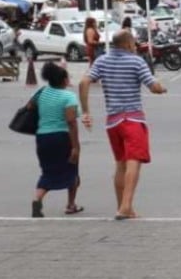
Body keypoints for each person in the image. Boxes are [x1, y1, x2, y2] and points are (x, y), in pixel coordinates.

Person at [79, 30, 168, 220]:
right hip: (132, 119)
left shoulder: (102, 60)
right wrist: (162, 88)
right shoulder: (136, 61)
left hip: (112, 121)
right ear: (128, 44)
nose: (135, 46)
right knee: (133, 161)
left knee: (120, 164)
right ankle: (126, 206)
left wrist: (86, 111)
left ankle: (123, 207)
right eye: (134, 43)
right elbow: (153, 86)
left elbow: (84, 81)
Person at [30, 61, 82, 218]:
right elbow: (71, 123)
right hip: (61, 138)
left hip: (42, 138)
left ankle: (37, 198)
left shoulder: (42, 93)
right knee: (71, 170)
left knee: (48, 172)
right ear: (65, 80)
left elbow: (29, 107)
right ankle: (71, 205)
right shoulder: (68, 97)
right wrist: (75, 147)